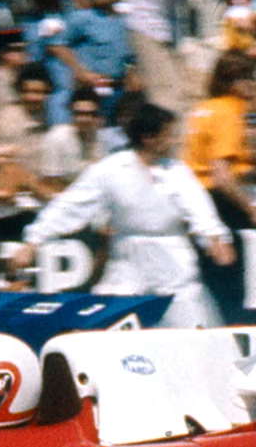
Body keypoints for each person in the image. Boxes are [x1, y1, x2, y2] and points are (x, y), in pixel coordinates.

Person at [26, 96, 237, 326]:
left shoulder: (178, 171)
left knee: (192, 332)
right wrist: (33, 240)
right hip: (127, 265)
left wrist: (216, 239)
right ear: (149, 138)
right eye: (169, 134)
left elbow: (200, 210)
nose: (175, 140)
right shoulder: (110, 169)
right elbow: (70, 206)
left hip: (174, 265)